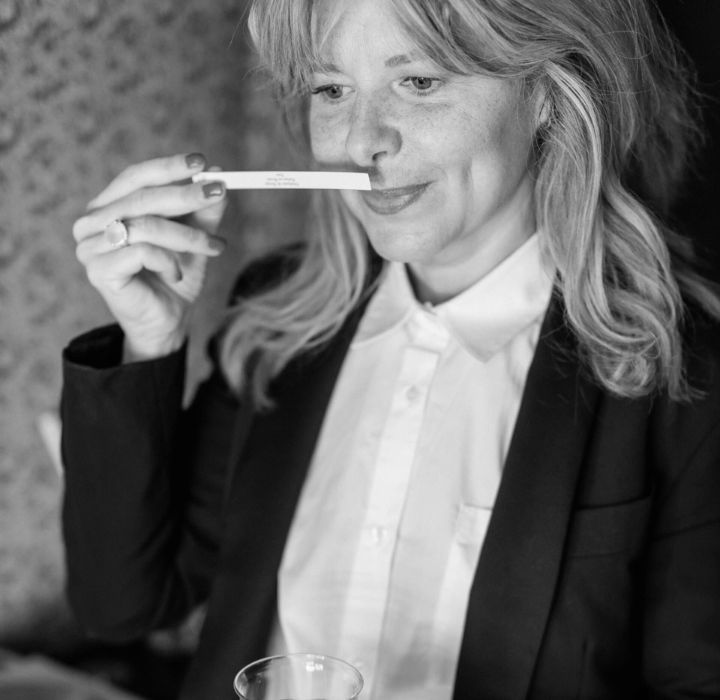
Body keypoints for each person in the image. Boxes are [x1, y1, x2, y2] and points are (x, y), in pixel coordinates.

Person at [61, 0, 720, 698]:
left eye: (420, 82)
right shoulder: (278, 322)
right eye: (332, 90)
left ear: (547, 98)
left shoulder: (685, 378)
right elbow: (122, 605)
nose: (362, 140)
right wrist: (148, 338)